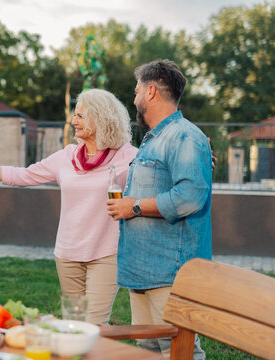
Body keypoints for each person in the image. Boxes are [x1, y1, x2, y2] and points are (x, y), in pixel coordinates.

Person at [0, 89, 137, 325]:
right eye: (74, 115)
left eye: (80, 116)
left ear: (100, 118)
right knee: (73, 323)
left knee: (95, 325)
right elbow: (24, 175)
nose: (74, 121)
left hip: (106, 253)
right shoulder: (67, 156)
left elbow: (153, 186)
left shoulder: (128, 157)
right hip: (68, 253)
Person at [106, 59, 211, 359]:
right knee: (148, 348)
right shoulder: (155, 140)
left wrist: (134, 206)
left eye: (137, 90)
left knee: (179, 350)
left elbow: (191, 195)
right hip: (143, 269)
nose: (134, 97)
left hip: (169, 272)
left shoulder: (185, 136)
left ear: (151, 92)